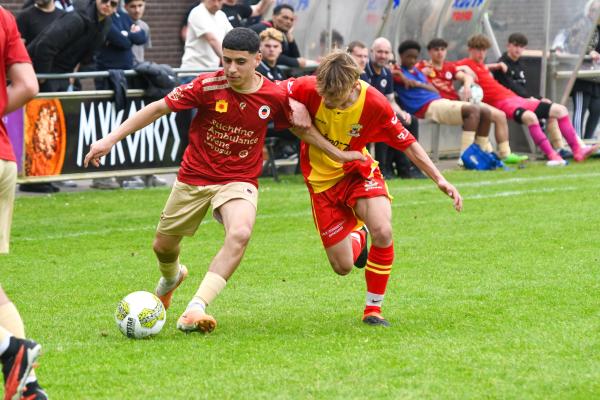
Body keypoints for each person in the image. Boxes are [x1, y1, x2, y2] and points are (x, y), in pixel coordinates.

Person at [84, 28, 362, 334]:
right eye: (226, 60)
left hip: (239, 179)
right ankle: (172, 277)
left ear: (258, 59)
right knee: (163, 246)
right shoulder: (207, 85)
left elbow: (302, 128)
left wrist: (339, 153)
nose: (231, 69)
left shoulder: (274, 95)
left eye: (240, 62)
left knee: (240, 232)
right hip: (194, 176)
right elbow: (158, 108)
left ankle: (195, 308)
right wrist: (109, 140)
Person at [286, 51, 462, 327]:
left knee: (384, 230)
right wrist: (290, 102)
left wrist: (439, 178)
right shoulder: (309, 86)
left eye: (337, 100)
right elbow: (270, 89)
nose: (330, 105)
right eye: (326, 99)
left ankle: (373, 309)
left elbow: (408, 144)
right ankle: (359, 233)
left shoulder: (375, 104)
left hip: (358, 170)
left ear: (355, 85)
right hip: (321, 182)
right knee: (342, 267)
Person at [0, 7, 48, 400]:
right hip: (3, 159)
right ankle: (25, 385)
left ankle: (9, 349)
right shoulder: (3, 16)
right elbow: (28, 84)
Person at [457, 34, 599, 165]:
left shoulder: (485, 66)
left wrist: (494, 65)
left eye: (484, 50)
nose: (481, 53)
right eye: (478, 50)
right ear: (470, 50)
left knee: (560, 110)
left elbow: (484, 68)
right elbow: (456, 71)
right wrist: (466, 78)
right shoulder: (465, 64)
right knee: (531, 117)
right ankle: (552, 155)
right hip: (503, 104)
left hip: (516, 98)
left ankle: (577, 150)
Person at [417, 37, 527, 163]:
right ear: (430, 52)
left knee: (495, 114)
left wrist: (467, 85)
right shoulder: (423, 66)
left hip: (460, 101)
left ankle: (496, 153)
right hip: (440, 104)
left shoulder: (450, 67)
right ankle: (468, 156)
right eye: (436, 50)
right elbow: (409, 71)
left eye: (442, 49)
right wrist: (421, 73)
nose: (440, 53)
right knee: (478, 112)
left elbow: (465, 75)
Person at [394, 40, 494, 163]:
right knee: (473, 110)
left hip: (439, 101)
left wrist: (417, 83)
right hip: (426, 107)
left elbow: (433, 89)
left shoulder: (417, 72)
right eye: (408, 57)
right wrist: (405, 78)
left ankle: (482, 153)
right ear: (401, 56)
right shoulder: (397, 70)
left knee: (485, 112)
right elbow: (393, 74)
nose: (412, 60)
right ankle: (465, 158)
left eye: (415, 57)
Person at [491, 33, 571, 157]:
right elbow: (511, 87)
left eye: (521, 46)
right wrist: (531, 99)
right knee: (542, 111)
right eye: (515, 45)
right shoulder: (502, 64)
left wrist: (538, 98)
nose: (518, 49)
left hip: (522, 100)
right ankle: (548, 150)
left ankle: (559, 147)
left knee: (550, 106)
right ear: (508, 46)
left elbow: (523, 88)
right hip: (511, 102)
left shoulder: (520, 63)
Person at [362, 38, 423, 179]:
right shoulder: (363, 71)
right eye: (379, 52)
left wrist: (401, 112)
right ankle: (383, 169)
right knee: (385, 121)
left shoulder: (387, 73)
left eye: (386, 52)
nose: (383, 55)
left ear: (390, 55)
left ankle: (409, 169)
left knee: (410, 120)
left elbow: (390, 100)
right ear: (372, 52)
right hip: (367, 116)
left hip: (382, 113)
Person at [26, 0, 116, 92]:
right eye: (104, 1)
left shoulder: (105, 25)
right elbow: (45, 45)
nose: (108, 5)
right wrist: (43, 76)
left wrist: (72, 74)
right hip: (42, 72)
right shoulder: (76, 18)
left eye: (113, 4)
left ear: (115, 9)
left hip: (64, 74)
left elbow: (85, 56)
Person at [249, 4, 313, 68]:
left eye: (291, 19)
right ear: (274, 17)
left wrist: (291, 40)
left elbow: (296, 57)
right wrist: (294, 62)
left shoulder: (281, 33)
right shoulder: (261, 30)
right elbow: (268, 55)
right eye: (285, 17)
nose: (288, 22)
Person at [181, 0, 232, 75]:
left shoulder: (221, 15)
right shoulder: (197, 12)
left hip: (211, 71)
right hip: (193, 73)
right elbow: (212, 40)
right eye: (213, 0)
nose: (216, 4)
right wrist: (230, 60)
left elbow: (232, 35)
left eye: (219, 0)